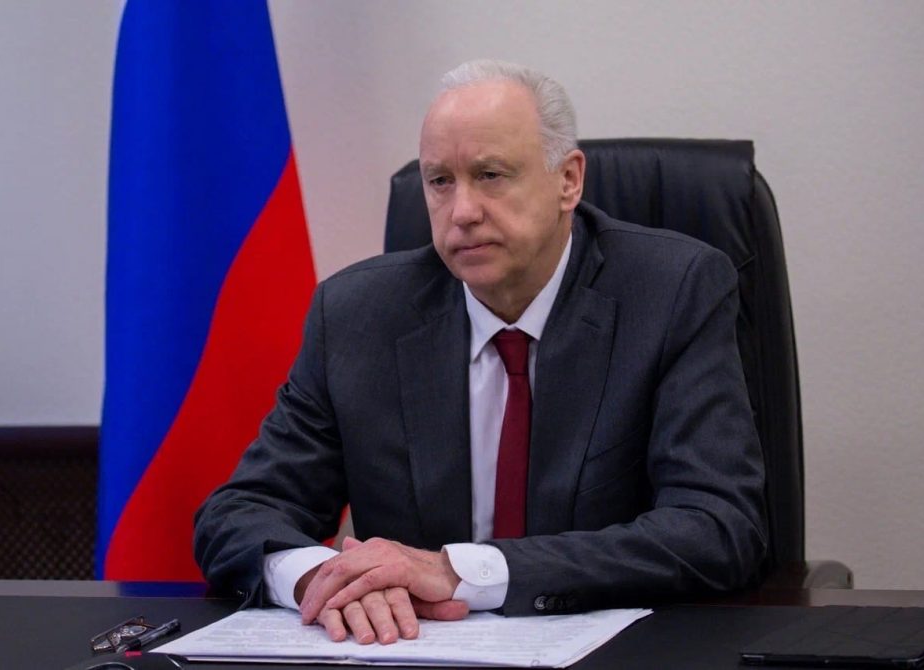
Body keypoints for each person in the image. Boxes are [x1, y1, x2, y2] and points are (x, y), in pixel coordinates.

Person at [194, 59, 767, 645]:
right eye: (440, 182)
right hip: (412, 654)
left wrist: (462, 573)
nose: (462, 212)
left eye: (491, 175)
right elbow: (238, 514)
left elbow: (717, 528)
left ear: (569, 181)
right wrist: (324, 578)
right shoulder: (356, 315)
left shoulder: (672, 292)